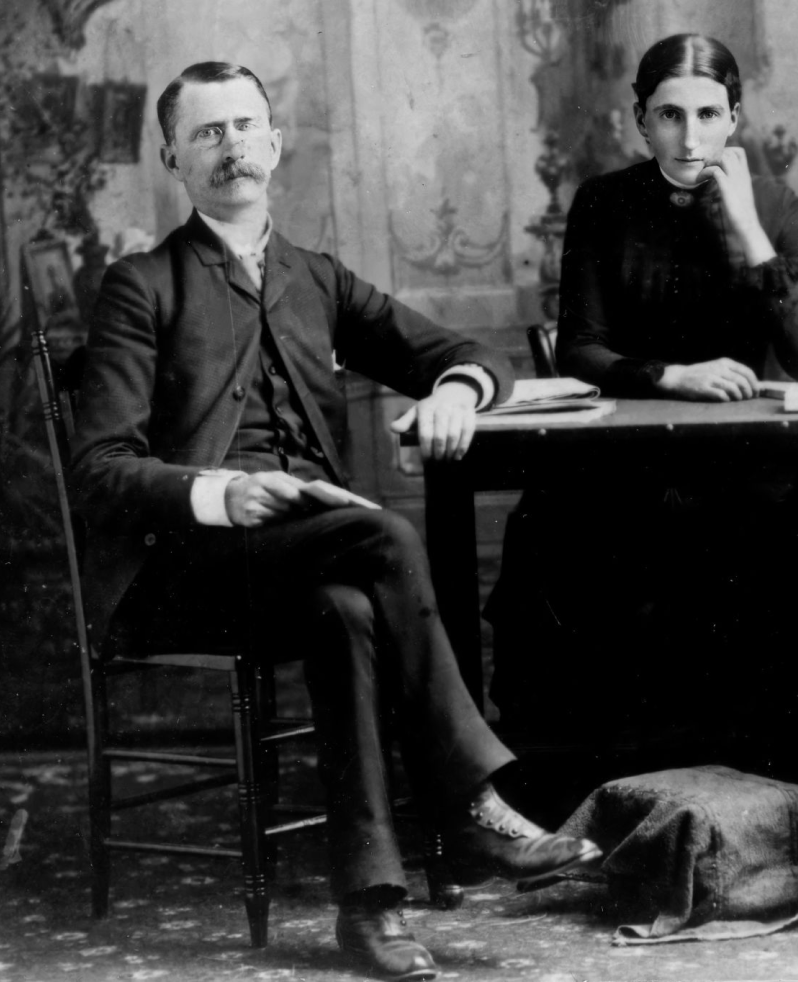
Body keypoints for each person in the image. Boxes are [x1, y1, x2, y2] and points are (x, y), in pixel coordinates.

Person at [70, 62, 599, 981]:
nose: (232, 146)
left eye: (246, 126)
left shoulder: (317, 279)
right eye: (207, 133)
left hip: (302, 564)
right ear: (172, 160)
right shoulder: (141, 285)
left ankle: (371, 910)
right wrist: (219, 492)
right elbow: (101, 469)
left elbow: (465, 354)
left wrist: (457, 394)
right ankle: (468, 803)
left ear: (275, 145)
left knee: (346, 612)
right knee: (388, 535)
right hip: (186, 571)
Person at [485, 34, 798, 800]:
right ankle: (598, 786)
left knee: (782, 549)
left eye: (709, 115)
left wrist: (750, 229)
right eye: (670, 115)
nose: (691, 136)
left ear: (734, 120)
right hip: (629, 461)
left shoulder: (777, 206)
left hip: (747, 464)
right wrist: (671, 376)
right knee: (576, 549)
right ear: (641, 122)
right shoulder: (604, 202)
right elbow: (580, 347)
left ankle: (773, 781)